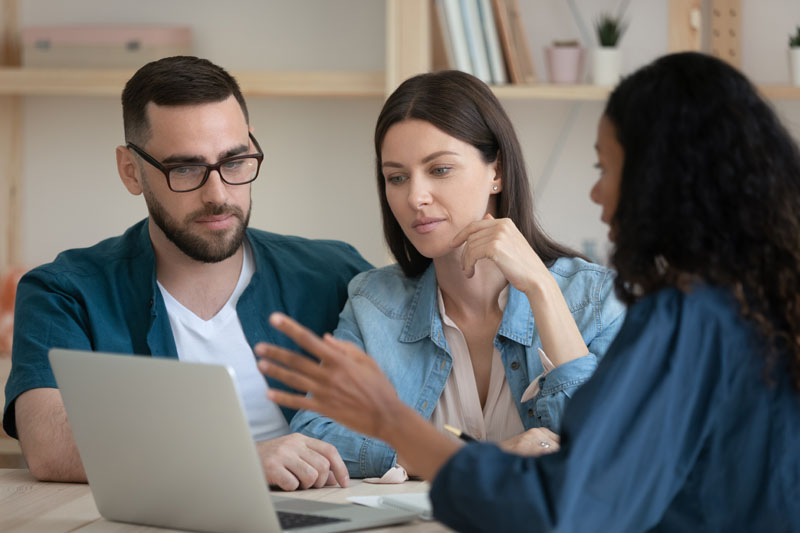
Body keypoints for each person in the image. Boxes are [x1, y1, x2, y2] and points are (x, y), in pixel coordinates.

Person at [256, 51, 800, 530]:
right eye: (395, 177)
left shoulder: (677, 318)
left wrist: (396, 425)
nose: (595, 189)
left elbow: (570, 499)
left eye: (606, 167)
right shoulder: (745, 307)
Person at [2, 56, 371, 490]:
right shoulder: (64, 292)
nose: (217, 195)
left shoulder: (336, 275)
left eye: (234, 162)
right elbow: (48, 444)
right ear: (131, 171)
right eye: (186, 169)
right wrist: (237, 461)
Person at [288, 69, 626, 479]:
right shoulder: (374, 302)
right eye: (397, 177)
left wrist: (541, 289)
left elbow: (614, 451)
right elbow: (315, 436)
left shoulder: (597, 298)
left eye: (440, 169)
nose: (415, 197)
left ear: (496, 172)